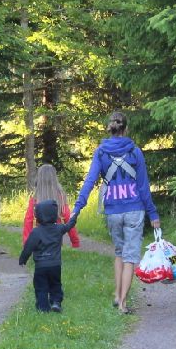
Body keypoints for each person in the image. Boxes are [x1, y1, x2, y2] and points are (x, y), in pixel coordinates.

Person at [69, 111, 160, 314]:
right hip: (134, 208)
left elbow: (90, 181)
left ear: (110, 128)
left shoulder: (101, 153)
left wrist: (77, 207)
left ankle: (118, 295)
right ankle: (123, 303)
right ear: (126, 129)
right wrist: (153, 214)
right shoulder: (135, 152)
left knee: (119, 252)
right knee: (130, 256)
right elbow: (143, 186)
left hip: (113, 211)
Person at [18, 199, 78, 312]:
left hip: (40, 266)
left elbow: (28, 247)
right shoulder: (59, 228)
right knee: (55, 284)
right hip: (55, 264)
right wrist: (74, 217)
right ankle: (56, 302)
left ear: (38, 216)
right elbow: (69, 225)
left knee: (41, 287)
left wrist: (23, 259)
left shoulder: (36, 232)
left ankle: (43, 307)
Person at [21, 163, 80, 250]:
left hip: (40, 238)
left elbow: (28, 221)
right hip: (56, 239)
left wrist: (27, 244)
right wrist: (75, 242)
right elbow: (68, 219)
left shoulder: (35, 199)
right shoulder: (60, 197)